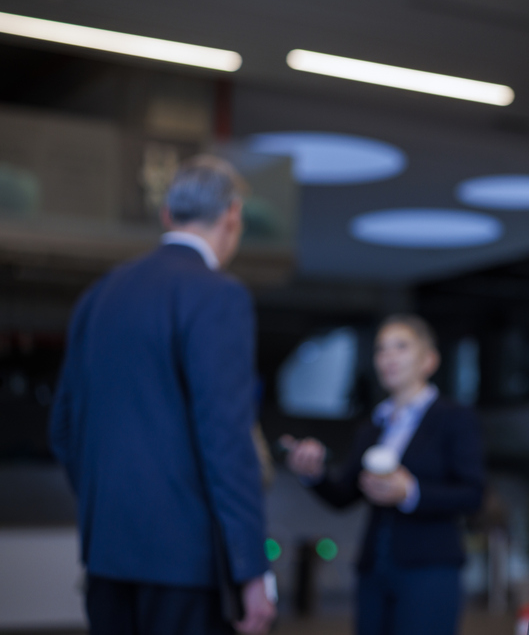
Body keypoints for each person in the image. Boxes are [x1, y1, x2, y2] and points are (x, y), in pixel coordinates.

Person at [49, 155, 276, 635]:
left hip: (106, 554)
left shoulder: (99, 294)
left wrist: (111, 508)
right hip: (186, 564)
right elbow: (226, 439)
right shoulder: (218, 295)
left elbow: (64, 427)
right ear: (232, 215)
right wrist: (250, 566)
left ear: (167, 215)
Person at [281, 315, 485, 635]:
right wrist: (314, 474)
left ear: (429, 360)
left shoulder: (454, 418)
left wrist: (411, 492)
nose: (388, 357)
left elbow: (473, 495)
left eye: (401, 347)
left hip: (430, 570)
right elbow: (344, 495)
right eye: (381, 350)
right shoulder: (372, 426)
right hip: (375, 569)